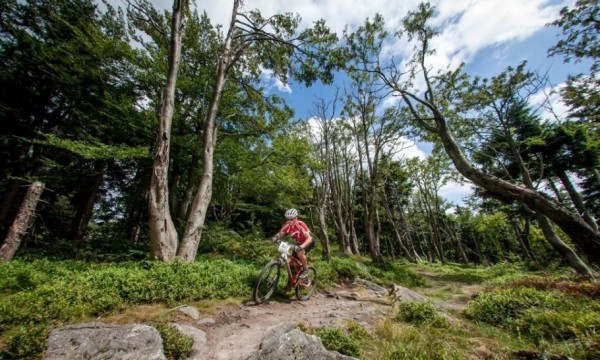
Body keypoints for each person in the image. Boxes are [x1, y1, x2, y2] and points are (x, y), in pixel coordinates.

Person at [271, 208, 314, 278]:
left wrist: (301, 246)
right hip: (299, 243)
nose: (289, 221)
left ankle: (306, 270)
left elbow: (309, 238)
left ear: (296, 218)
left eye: (291, 219)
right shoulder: (287, 225)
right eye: (287, 219)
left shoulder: (301, 224)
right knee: (292, 263)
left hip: (309, 242)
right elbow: (280, 234)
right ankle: (294, 281)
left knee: (300, 253)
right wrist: (275, 238)